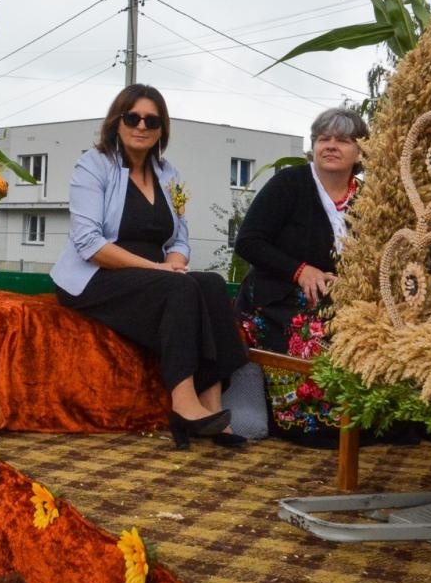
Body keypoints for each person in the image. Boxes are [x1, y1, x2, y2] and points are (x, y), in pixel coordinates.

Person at [50, 84, 249, 450]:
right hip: (96, 276)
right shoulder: (93, 166)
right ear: (117, 121)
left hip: (150, 276)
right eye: (133, 117)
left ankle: (213, 408)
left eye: (151, 120)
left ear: (161, 129)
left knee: (212, 284)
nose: (141, 126)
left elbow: (179, 239)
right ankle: (183, 402)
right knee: (180, 287)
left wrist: (173, 262)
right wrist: (157, 270)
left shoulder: (167, 174)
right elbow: (89, 244)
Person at [234, 106, 367, 443]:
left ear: (360, 151)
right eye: (324, 139)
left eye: (343, 140)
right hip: (277, 296)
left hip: (342, 299)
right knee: (313, 334)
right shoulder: (289, 184)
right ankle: (310, 424)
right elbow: (248, 241)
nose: (331, 146)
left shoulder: (367, 199)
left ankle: (370, 421)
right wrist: (300, 271)